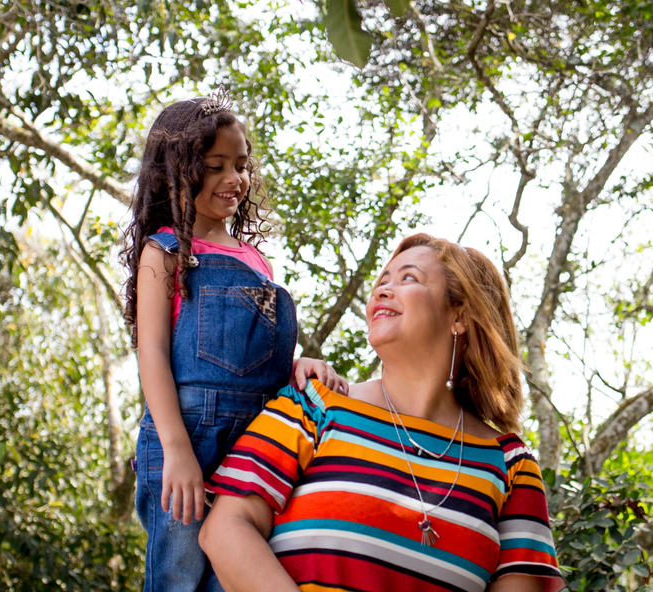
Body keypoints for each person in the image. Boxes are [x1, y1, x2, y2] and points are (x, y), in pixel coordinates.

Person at [200, 233, 565, 592]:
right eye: (382, 281)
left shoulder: (511, 464)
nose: (382, 290)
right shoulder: (315, 404)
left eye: (409, 278)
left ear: (460, 315)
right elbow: (227, 528)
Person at [122, 93, 345, 592]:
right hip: (187, 437)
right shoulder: (164, 251)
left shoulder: (257, 260)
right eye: (216, 165)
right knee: (179, 579)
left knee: (235, 575)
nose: (234, 178)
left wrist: (298, 365)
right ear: (175, 173)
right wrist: (177, 449)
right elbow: (152, 353)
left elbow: (259, 352)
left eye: (241, 166)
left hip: (258, 441)